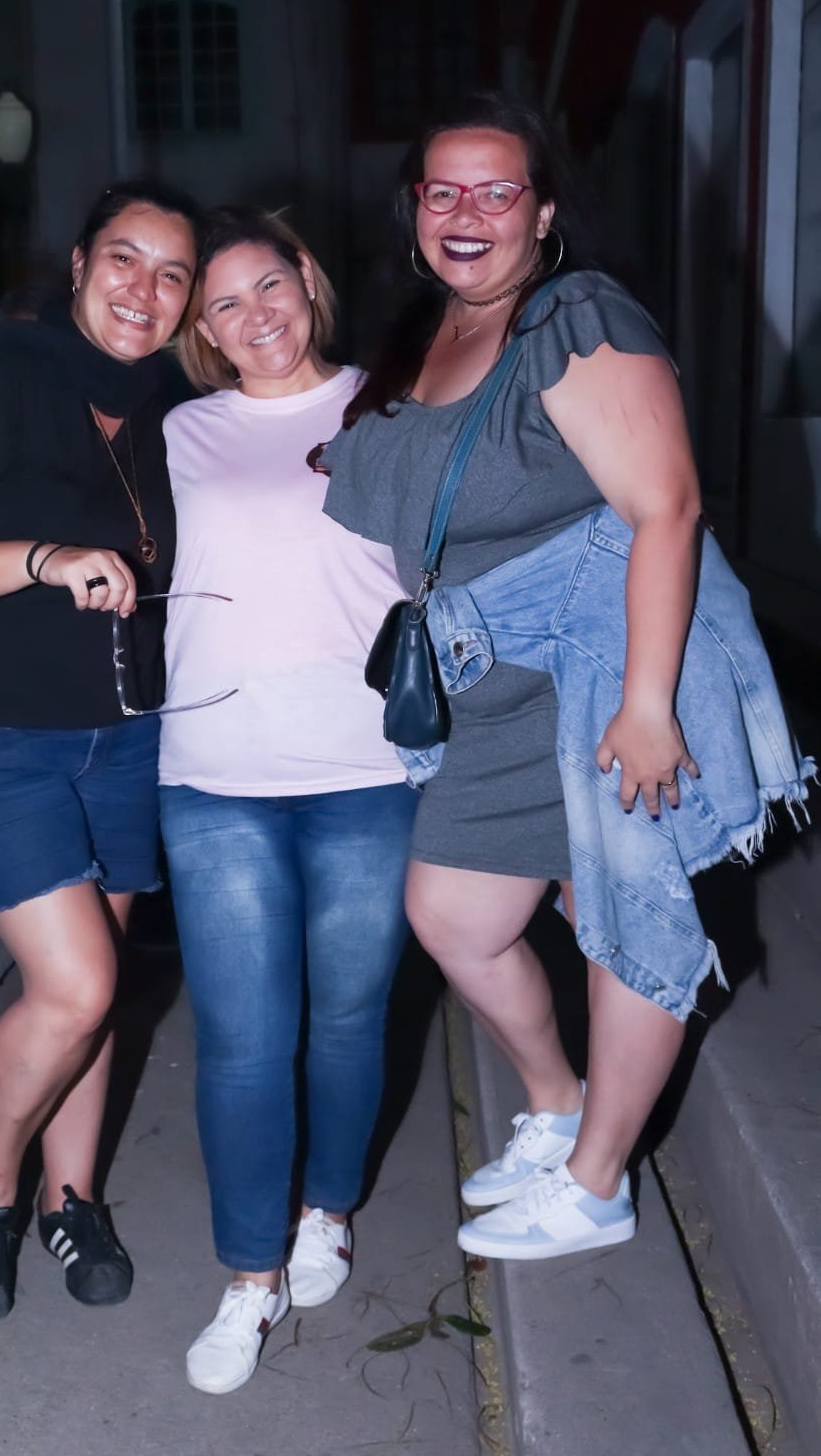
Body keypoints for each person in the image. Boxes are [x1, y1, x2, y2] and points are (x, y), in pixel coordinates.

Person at [322, 92, 811, 1263]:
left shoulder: (574, 315)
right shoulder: (424, 333)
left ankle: (596, 1183)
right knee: (452, 911)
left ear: (542, 212)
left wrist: (646, 705)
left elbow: (665, 507)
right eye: (442, 190)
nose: (467, 212)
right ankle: (555, 1106)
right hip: (488, 676)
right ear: (413, 211)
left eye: (497, 190)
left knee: (619, 906)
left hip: (597, 658)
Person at [0, 179, 201, 1321]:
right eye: (124, 259)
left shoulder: (167, 407)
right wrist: (43, 557)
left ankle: (73, 1197)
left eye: (171, 273)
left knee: (91, 998)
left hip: (123, 736)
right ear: (78, 264)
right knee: (77, 984)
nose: (144, 289)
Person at [159, 208, 418, 1393]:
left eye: (268, 284)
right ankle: (246, 1277)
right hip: (214, 772)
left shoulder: (392, 408)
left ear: (306, 280)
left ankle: (328, 1207)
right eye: (223, 303)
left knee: (349, 1019)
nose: (253, 314)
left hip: (366, 770)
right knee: (240, 1039)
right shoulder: (181, 432)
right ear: (203, 331)